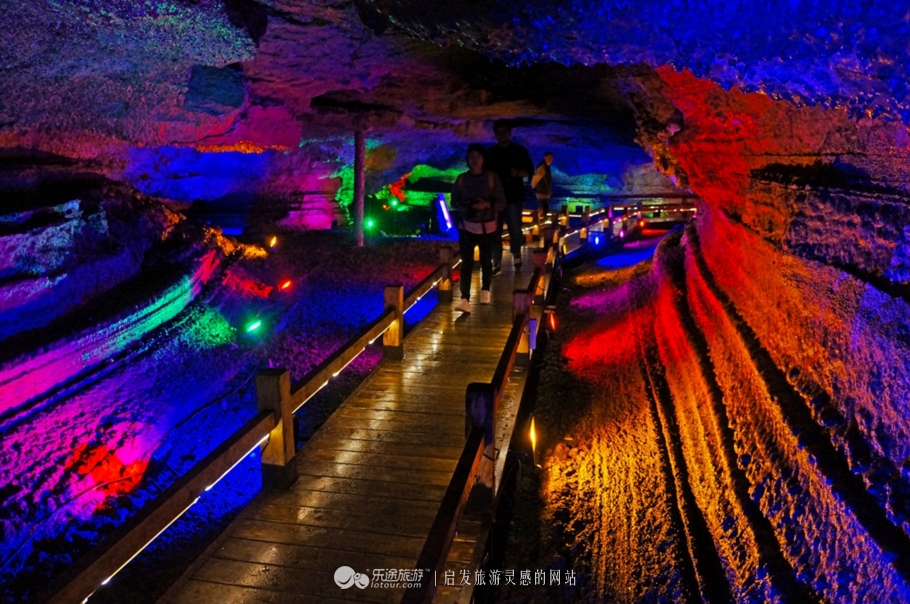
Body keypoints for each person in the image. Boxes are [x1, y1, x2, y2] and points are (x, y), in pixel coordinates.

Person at [451, 144, 506, 313]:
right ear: (467, 159)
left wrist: (486, 204)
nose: (474, 160)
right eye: (471, 156)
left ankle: (485, 290)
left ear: (483, 160)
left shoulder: (491, 178)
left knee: (485, 261)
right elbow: (453, 201)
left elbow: (502, 202)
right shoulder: (461, 179)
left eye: (478, 156)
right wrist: (465, 206)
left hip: (487, 228)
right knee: (466, 264)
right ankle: (465, 298)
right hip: (467, 228)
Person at [484, 120, 534, 271]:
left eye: (504, 131)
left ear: (510, 132)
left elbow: (530, 171)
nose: (502, 135)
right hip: (496, 199)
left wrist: (517, 173)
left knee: (514, 227)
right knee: (495, 230)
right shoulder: (490, 153)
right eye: (499, 132)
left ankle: (516, 253)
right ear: (495, 134)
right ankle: (496, 260)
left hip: (514, 196)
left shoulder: (520, 151)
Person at [531, 152, 554, 221]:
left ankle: (541, 219)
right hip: (542, 191)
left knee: (543, 206)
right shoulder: (543, 166)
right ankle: (540, 219)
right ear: (545, 157)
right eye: (549, 158)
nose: (550, 160)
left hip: (543, 191)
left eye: (551, 158)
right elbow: (537, 178)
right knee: (543, 207)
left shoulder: (545, 166)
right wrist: (534, 186)